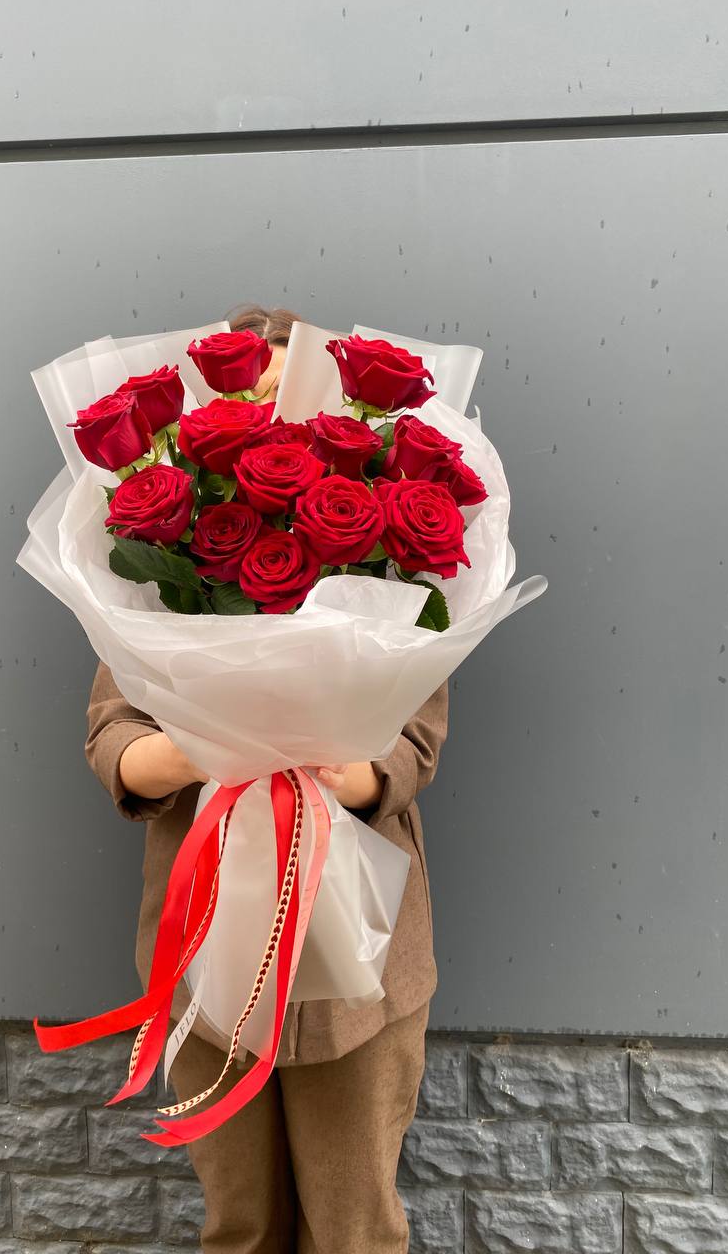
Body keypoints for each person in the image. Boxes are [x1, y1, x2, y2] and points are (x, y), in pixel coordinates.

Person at [84, 303, 450, 1253]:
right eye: (247, 394)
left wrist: (351, 774)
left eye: (287, 391)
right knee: (240, 1227)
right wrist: (187, 752)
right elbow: (112, 732)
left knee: (354, 1230)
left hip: (357, 967)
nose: (267, 409)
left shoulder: (390, 580)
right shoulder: (160, 579)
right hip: (207, 953)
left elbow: (415, 742)